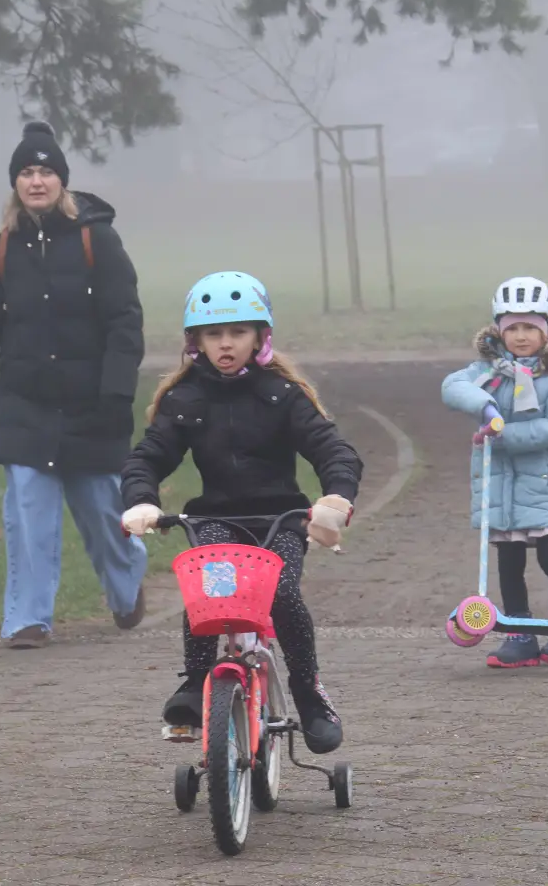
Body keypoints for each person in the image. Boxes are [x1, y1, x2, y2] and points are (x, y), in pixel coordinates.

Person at [121, 271, 363, 754]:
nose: (226, 344)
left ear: (260, 337)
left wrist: (335, 500)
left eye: (237, 333)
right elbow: (147, 456)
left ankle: (309, 691)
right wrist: (142, 500)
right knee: (204, 591)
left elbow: (333, 450)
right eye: (214, 334)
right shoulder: (184, 399)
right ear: (197, 342)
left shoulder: (283, 396)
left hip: (280, 519)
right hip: (216, 519)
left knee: (282, 595)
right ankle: (194, 683)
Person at [0, 120, 147, 649]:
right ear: (15, 183)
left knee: (103, 513)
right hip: (26, 406)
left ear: (62, 181)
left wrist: (116, 393)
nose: (36, 180)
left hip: (91, 404)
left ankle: (127, 588)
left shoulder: (98, 240)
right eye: (26, 171)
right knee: (27, 514)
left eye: (45, 171)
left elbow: (125, 320)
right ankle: (27, 618)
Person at [440, 276, 548, 668]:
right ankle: (520, 634)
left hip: (544, 481)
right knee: (509, 558)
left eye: (530, 328)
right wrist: (487, 407)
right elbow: (453, 386)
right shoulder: (488, 369)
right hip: (501, 484)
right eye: (513, 328)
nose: (521, 337)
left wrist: (502, 434)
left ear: (547, 330)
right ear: (500, 331)